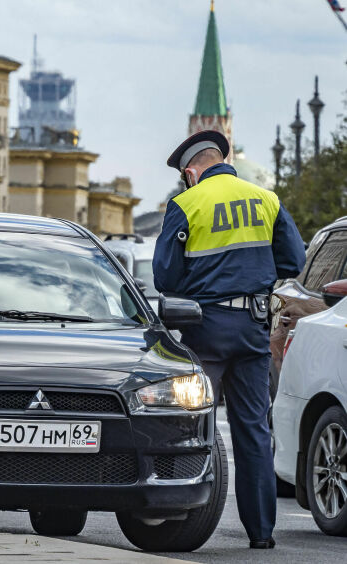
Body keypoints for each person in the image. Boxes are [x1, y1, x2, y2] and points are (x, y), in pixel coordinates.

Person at [153, 130, 306, 549]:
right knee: (254, 429)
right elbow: (294, 260)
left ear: (190, 172)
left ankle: (177, 515)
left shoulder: (186, 203)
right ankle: (261, 533)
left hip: (206, 326)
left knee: (191, 422)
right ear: (223, 159)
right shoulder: (266, 199)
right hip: (254, 328)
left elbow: (165, 277)